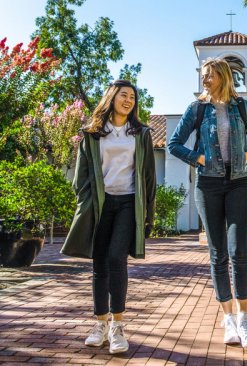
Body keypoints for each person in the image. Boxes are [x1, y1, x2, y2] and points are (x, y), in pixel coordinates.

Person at [168, 58, 247, 350]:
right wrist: (198, 158)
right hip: (208, 185)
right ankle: (228, 319)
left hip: (239, 183)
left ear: (223, 76)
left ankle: (244, 317)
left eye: (209, 75)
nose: (205, 80)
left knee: (239, 250)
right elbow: (174, 143)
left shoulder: (243, 108)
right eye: (202, 75)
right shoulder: (197, 108)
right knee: (218, 253)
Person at [61, 79, 156, 354]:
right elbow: (81, 177)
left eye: (133, 97)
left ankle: (118, 325)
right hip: (100, 205)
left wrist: (148, 214)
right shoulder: (92, 133)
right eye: (124, 95)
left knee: (117, 258)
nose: (129, 100)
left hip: (128, 203)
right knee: (100, 263)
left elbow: (149, 177)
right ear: (112, 97)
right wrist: (85, 203)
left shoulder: (141, 133)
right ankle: (100, 324)